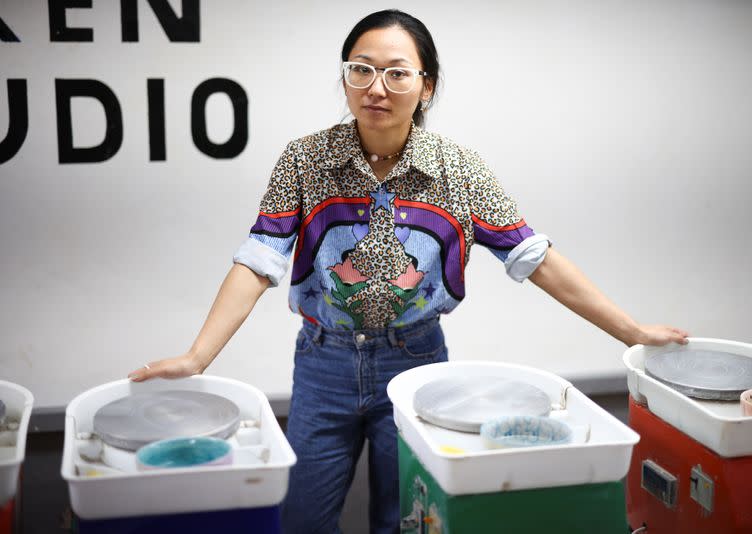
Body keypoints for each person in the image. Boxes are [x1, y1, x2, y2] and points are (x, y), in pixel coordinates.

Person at [128, 9, 689, 533]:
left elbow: (533, 258)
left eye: (397, 73)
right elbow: (259, 259)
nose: (377, 87)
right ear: (345, 77)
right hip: (323, 362)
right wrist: (198, 356)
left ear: (427, 85)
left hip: (416, 360)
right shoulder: (304, 160)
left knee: (412, 518)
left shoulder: (458, 170)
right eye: (362, 70)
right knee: (301, 516)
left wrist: (633, 332)